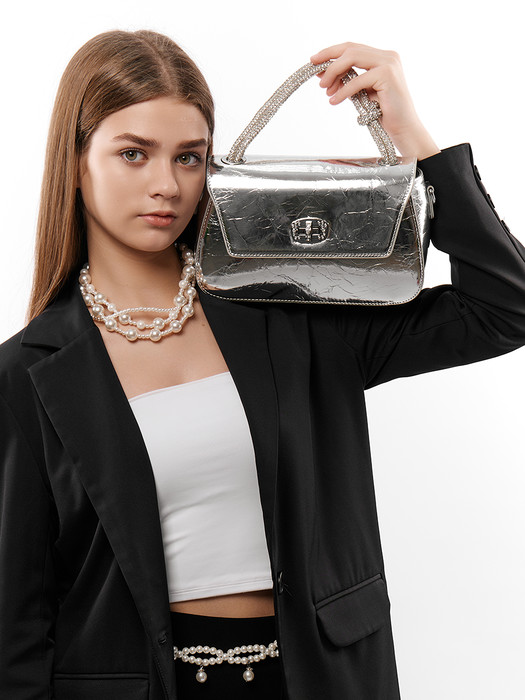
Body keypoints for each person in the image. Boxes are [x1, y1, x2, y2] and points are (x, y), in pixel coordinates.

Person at [0, 29, 523, 700]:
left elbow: (503, 307)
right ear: (75, 162)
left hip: (316, 679)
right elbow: (18, 626)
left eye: (189, 158)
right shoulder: (25, 376)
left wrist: (416, 142)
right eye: (133, 154)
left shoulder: (286, 312)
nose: (166, 185)